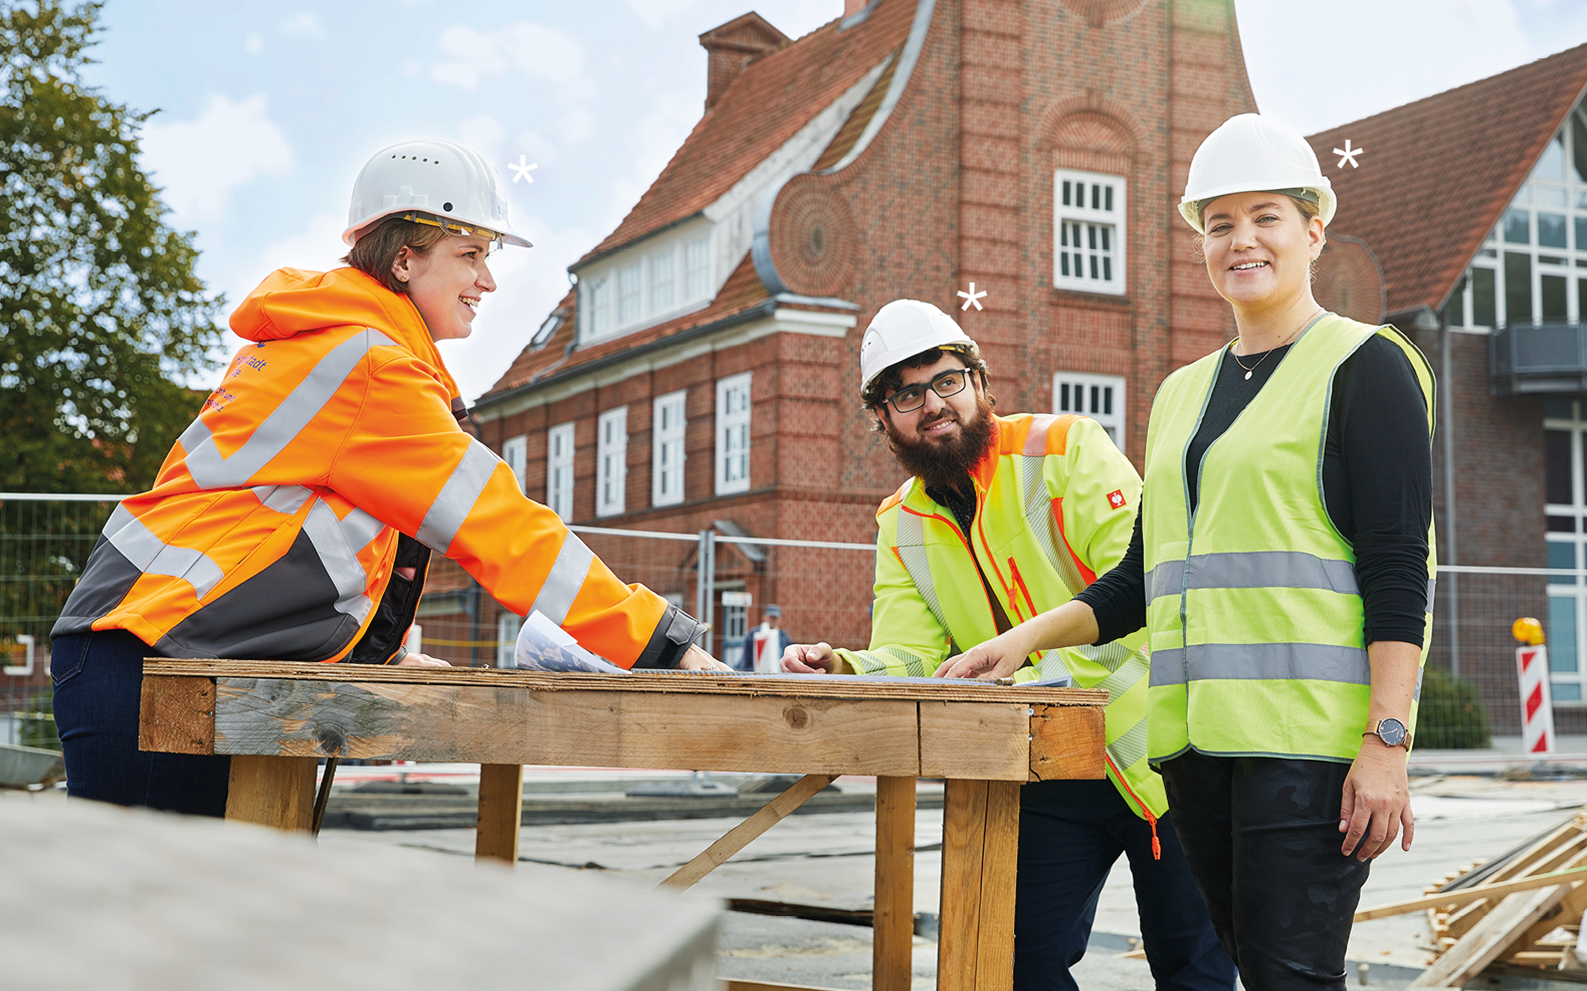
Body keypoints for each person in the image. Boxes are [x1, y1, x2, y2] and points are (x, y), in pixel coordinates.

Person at [51, 138, 725, 816]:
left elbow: (284, 528)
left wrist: (378, 651)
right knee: (155, 913)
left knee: (182, 907)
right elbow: (498, 524)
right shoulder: (370, 366)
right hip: (151, 661)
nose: (487, 280)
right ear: (404, 258)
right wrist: (660, 643)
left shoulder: (330, 341)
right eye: (469, 255)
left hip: (146, 648)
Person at [938, 113, 1435, 990]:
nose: (1241, 239)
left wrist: (1385, 742)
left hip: (1310, 754)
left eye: (1265, 216)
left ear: (1313, 228)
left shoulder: (1365, 366)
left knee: (1291, 978)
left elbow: (1398, 569)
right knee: (1252, 970)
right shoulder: (1179, 395)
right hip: (1195, 754)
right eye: (1219, 223)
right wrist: (1022, 639)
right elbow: (1140, 577)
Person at [781, 300, 1235, 991]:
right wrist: (840, 662)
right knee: (1013, 964)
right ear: (882, 417)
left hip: (1160, 758)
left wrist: (1025, 647)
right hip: (1043, 770)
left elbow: (1148, 585)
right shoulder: (899, 523)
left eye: (946, 381)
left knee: (1193, 968)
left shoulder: (1063, 448)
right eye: (906, 393)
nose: (932, 403)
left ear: (979, 381)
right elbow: (912, 654)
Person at [748, 605, 793, 673]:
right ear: (764, 617)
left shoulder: (784, 637)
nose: (772, 620)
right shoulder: (753, 634)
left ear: (779, 619)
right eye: (770, 617)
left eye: (775, 618)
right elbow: (747, 659)